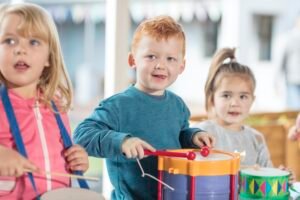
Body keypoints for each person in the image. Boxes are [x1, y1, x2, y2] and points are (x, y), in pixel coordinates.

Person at [73, 15, 215, 200]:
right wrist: (122, 142)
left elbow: (179, 135)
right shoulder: (117, 106)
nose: (160, 65)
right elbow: (82, 135)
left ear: (182, 66)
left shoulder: (178, 105)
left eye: (170, 58)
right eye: (151, 56)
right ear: (132, 60)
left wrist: (194, 137)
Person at [0, 3, 89, 199]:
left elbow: (62, 154)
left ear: (49, 57)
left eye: (33, 42)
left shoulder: (55, 105)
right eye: (9, 41)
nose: (20, 50)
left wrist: (77, 159)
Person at [194, 47, 273, 167]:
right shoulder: (201, 134)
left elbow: (268, 174)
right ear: (212, 98)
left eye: (243, 97)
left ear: (252, 101)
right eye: (226, 95)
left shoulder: (257, 139)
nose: (234, 103)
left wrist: (283, 175)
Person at [280, 14, 300, 110]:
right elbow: (282, 58)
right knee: (294, 108)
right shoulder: (289, 38)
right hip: (292, 78)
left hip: (293, 78)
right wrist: (276, 80)